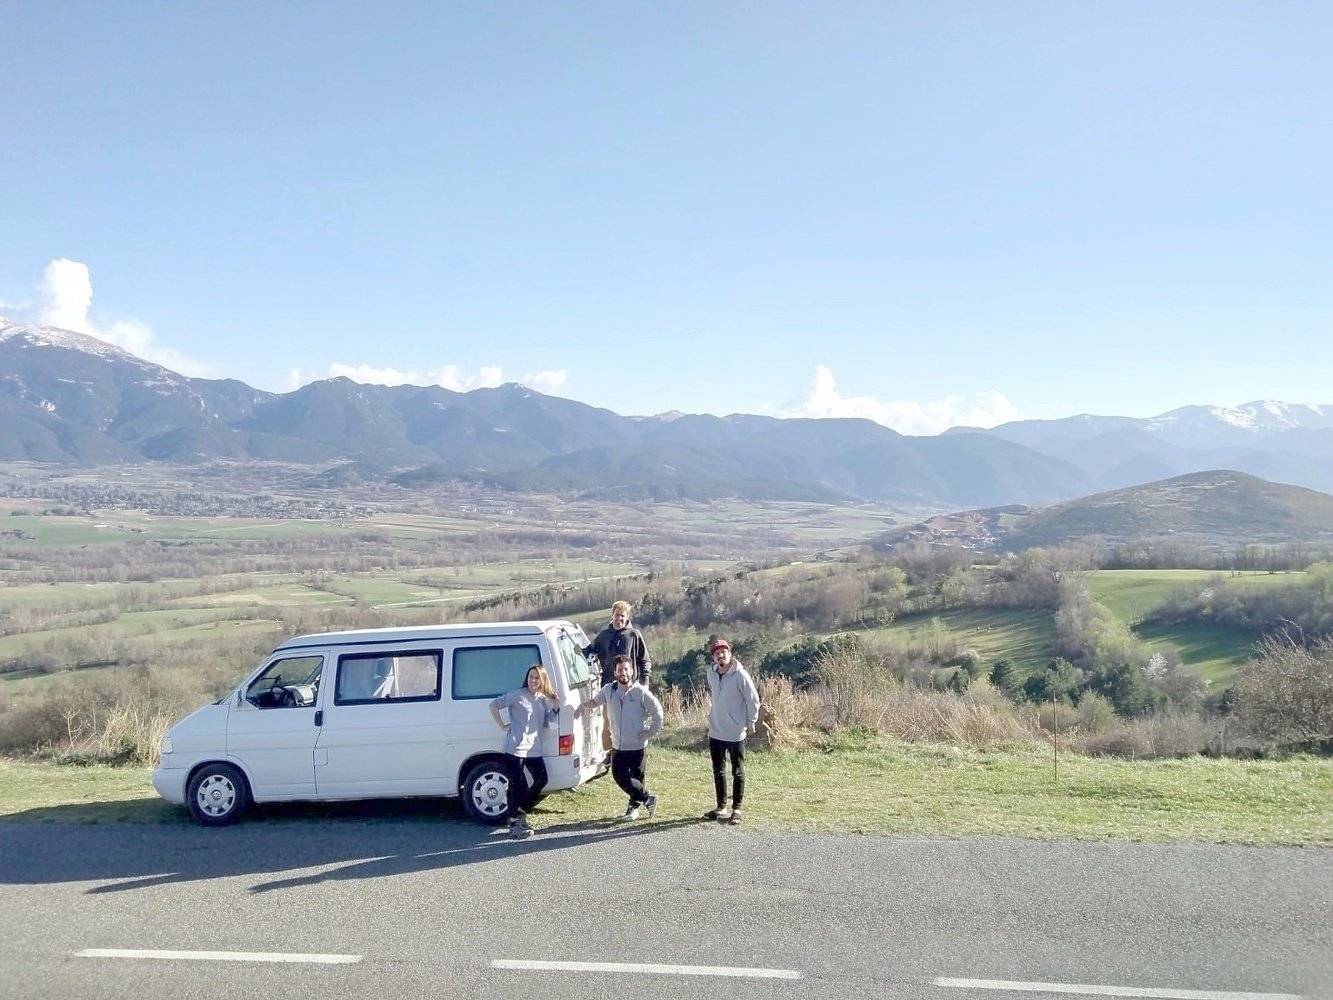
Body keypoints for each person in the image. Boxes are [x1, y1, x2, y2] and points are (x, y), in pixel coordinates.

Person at [576, 654, 664, 821]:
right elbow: (595, 702)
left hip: (638, 746)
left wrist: (651, 731)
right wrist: (582, 706)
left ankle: (633, 810)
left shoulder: (640, 692)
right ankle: (648, 799)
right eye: (619, 670)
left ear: (632, 671)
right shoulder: (609, 690)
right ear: (615, 673)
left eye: (626, 669)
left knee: (636, 780)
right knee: (619, 776)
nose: (623, 672)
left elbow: (657, 711)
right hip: (618, 746)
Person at [489, 664, 559, 838]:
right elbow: (494, 705)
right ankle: (514, 824)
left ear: (542, 680)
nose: (533, 680)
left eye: (536, 678)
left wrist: (556, 707)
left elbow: (548, 723)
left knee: (541, 779)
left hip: (534, 748)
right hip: (515, 748)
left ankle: (521, 811)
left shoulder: (542, 699)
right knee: (516, 786)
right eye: (530, 677)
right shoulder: (517, 695)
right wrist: (503, 726)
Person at [702, 638, 760, 826]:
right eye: (717, 653)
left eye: (723, 652)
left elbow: (753, 700)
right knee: (718, 771)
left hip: (735, 733)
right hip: (716, 731)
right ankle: (721, 807)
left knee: (737, 772)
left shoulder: (740, 675)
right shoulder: (710, 674)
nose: (721, 655)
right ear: (713, 657)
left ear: (730, 653)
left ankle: (737, 809)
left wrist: (750, 722)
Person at [584, 600, 653, 753]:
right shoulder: (604, 635)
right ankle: (611, 754)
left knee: (632, 722)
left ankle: (635, 750)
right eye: (617, 615)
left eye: (622, 616)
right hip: (610, 688)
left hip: (631, 688)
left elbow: (645, 660)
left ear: (627, 617)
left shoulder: (634, 635)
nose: (619, 619)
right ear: (612, 615)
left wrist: (645, 681)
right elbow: (590, 650)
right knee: (609, 723)